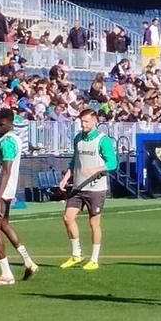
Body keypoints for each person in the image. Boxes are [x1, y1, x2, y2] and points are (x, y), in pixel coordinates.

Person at [56, 107, 115, 269]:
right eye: (81, 121)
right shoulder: (78, 139)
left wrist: (96, 169)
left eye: (86, 121)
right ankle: (76, 254)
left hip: (96, 189)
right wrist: (65, 178)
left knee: (93, 224)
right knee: (68, 218)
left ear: (94, 121)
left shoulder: (103, 140)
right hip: (78, 187)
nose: (83, 124)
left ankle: (94, 259)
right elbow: (74, 161)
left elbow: (112, 163)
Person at [0, 108, 37, 285]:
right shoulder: (15, 139)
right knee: (4, 225)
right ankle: (28, 260)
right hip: (7, 192)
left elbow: (5, 171)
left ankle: (6, 273)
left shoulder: (7, 142)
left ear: (9, 122)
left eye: (1, 123)